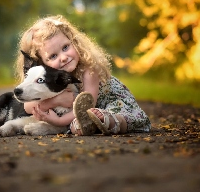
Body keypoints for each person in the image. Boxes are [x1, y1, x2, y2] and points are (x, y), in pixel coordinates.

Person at [14, 15, 151, 135]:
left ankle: (107, 121)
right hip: (80, 115)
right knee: (76, 126)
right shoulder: (50, 78)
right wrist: (56, 101)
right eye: (53, 56)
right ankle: (89, 126)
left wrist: (59, 121)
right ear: (42, 63)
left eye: (66, 47)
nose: (63, 57)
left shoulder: (89, 69)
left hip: (110, 105)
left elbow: (87, 106)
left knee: (114, 117)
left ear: (74, 42)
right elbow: (27, 107)